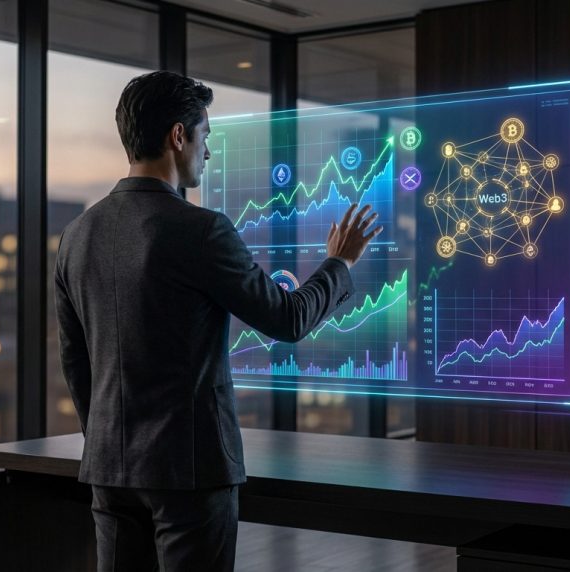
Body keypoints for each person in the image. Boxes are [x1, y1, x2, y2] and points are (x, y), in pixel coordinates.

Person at [54, 71, 382, 572]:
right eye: (205, 136)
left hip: (109, 468)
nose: (207, 152)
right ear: (178, 136)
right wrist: (340, 263)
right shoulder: (201, 231)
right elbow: (288, 319)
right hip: (189, 471)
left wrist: (105, 438)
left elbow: (75, 361)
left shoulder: (77, 235)